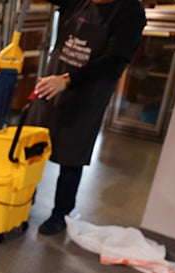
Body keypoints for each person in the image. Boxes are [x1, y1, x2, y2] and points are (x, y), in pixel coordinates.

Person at [27, 0, 146, 235]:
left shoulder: (130, 12)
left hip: (87, 94)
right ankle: (21, 203)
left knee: (72, 155)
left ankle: (61, 214)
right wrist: (58, 80)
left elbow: (113, 60)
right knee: (31, 148)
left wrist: (68, 80)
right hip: (52, 84)